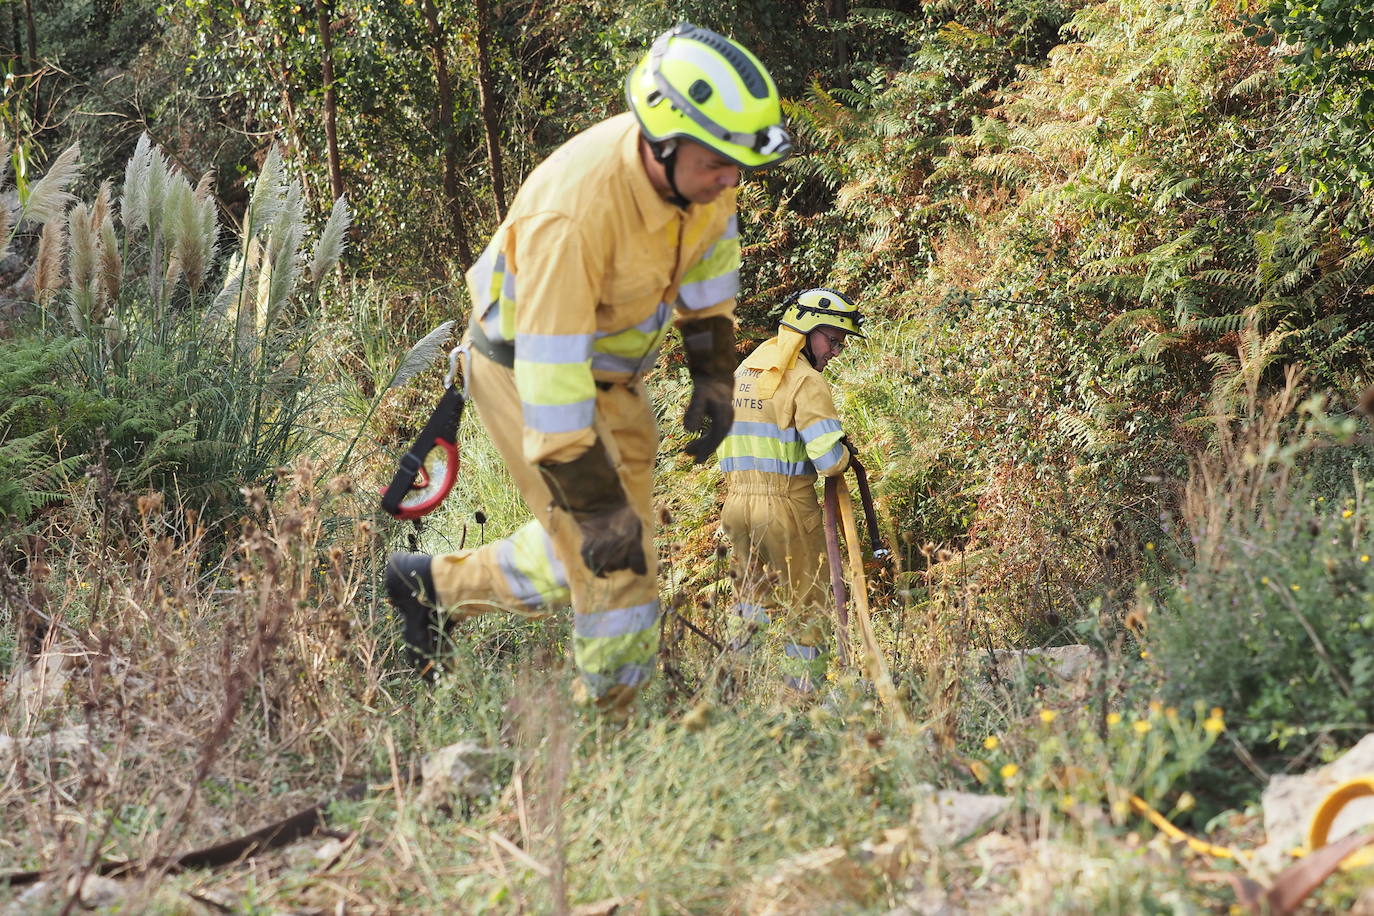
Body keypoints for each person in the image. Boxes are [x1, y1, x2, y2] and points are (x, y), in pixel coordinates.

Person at [385, 23, 793, 716]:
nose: (732, 179)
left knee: (589, 545)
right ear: (662, 141)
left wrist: (714, 373)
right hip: (529, 381)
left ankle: (433, 588)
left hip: (611, 384)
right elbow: (552, 382)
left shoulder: (704, 178)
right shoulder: (573, 212)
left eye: (739, 164)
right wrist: (597, 503)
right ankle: (614, 728)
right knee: (615, 561)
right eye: (719, 163)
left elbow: (710, 270)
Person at [716, 288, 863, 694]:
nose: (835, 351)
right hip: (787, 509)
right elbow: (829, 460)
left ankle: (732, 695)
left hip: (736, 509)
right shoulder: (805, 381)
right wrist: (846, 454)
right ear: (807, 329)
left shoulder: (745, 371)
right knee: (809, 610)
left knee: (750, 604)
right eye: (832, 340)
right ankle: (801, 701)